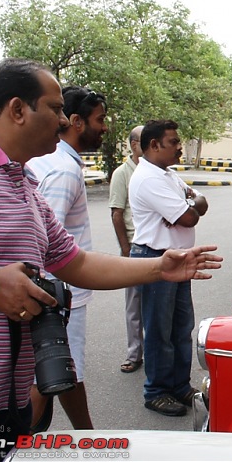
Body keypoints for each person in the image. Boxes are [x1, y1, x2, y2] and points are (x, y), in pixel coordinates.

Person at [0, 58, 221, 459]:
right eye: (55, 109)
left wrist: (159, 268)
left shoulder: (26, 188)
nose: (63, 121)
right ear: (17, 110)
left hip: (7, 401)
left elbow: (77, 264)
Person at [26, 86, 109, 431]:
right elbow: (47, 245)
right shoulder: (63, 170)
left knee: (65, 369)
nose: (105, 128)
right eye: (99, 120)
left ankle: (87, 437)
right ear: (76, 122)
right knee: (47, 375)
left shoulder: (52, 162)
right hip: (59, 294)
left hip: (58, 292)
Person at [129, 119, 208, 417]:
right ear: (154, 145)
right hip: (155, 257)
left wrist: (191, 204)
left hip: (177, 259)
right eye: (173, 142)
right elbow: (190, 218)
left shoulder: (168, 175)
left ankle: (178, 385)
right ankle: (157, 391)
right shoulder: (149, 179)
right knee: (160, 329)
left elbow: (200, 204)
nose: (178, 146)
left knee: (180, 326)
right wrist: (189, 207)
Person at [108, 125, 145, 374]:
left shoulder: (159, 171)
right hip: (134, 246)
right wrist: (125, 248)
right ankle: (135, 354)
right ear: (134, 145)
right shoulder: (123, 174)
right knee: (134, 305)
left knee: (157, 306)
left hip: (156, 246)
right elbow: (117, 213)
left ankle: (153, 353)